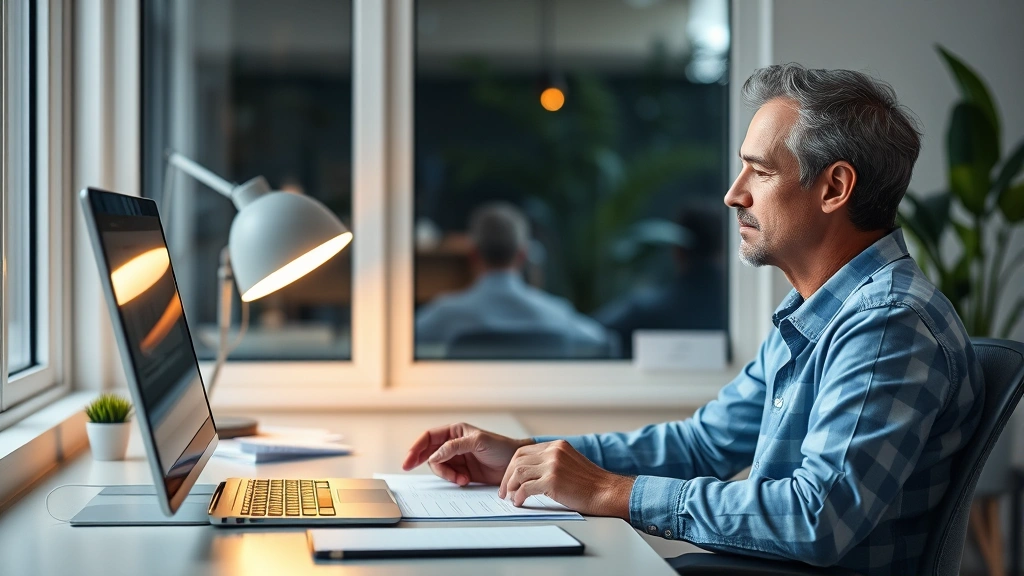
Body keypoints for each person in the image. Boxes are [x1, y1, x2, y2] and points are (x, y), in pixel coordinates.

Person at [402, 64, 984, 576]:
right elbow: (705, 443)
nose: (734, 195)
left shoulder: (886, 324)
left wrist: (610, 491)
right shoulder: (814, 311)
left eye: (760, 172)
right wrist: (535, 455)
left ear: (834, 187)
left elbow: (815, 520)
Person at [415, 201, 612, 357]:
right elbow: (603, 342)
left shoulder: (445, 314)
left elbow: (399, 343)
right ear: (523, 255)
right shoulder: (555, 314)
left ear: (473, 255)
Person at [596, 204, 727, 357]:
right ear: (723, 249)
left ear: (677, 251)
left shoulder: (644, 311)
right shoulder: (742, 314)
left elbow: (591, 333)